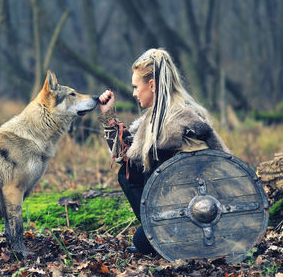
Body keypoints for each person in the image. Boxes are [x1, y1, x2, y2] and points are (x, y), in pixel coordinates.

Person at [98, 48, 230, 255]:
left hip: (201, 218)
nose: (133, 93)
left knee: (142, 237)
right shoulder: (158, 120)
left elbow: (201, 176)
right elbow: (128, 154)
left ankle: (164, 234)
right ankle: (158, 232)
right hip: (181, 215)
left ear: (152, 85)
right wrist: (109, 118)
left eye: (135, 87)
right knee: (140, 234)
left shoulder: (179, 122)